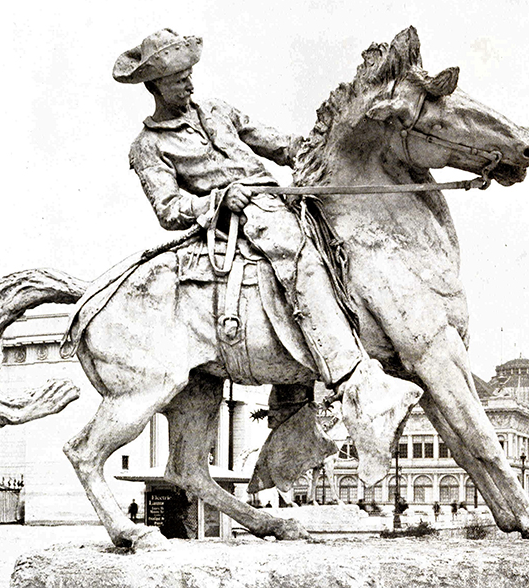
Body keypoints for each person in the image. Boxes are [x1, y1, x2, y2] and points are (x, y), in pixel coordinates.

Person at [113, 29, 422, 481]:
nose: (190, 86)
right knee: (300, 261)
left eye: (191, 76)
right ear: (155, 87)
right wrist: (215, 201)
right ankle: (359, 387)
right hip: (241, 218)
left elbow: (272, 140)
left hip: (283, 198)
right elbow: (169, 209)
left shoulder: (216, 111)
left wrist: (321, 153)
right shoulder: (149, 147)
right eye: (180, 80)